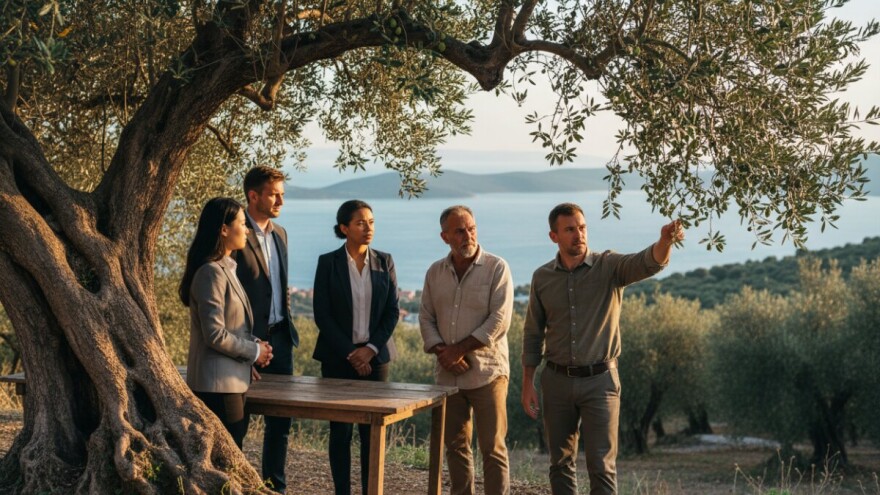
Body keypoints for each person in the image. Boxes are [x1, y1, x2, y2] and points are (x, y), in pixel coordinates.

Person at [520, 202, 685, 495]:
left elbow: (648, 262)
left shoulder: (608, 266)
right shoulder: (542, 277)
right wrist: (527, 382)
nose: (578, 234)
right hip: (556, 381)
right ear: (553, 236)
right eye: (570, 229)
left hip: (601, 382)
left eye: (582, 228)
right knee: (559, 464)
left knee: (602, 466)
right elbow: (533, 332)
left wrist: (664, 241)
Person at [419, 205, 514, 495]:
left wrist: (458, 350)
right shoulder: (435, 272)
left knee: (493, 450)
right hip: (449, 378)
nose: (467, 235)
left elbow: (499, 320)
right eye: (459, 231)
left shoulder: (497, 268)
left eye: (471, 228)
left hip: (488, 373)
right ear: (444, 236)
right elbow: (425, 316)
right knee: (455, 448)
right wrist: (442, 353)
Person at [313, 199, 400, 495]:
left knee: (372, 433)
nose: (368, 228)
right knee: (340, 433)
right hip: (338, 358)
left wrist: (370, 349)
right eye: (361, 223)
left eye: (371, 222)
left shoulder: (385, 261)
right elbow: (321, 314)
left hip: (376, 360)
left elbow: (392, 311)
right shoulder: (328, 263)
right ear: (344, 228)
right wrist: (352, 352)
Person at [179, 197, 273, 448]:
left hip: (231, 382)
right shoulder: (210, 272)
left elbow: (232, 326)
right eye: (242, 223)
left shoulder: (225, 268)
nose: (247, 230)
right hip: (218, 386)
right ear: (224, 229)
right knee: (228, 457)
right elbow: (215, 334)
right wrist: (254, 352)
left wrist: (256, 347)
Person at [234, 166, 300, 492]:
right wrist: (247, 345)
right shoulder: (234, 233)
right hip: (246, 344)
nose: (280, 201)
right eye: (274, 194)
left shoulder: (282, 234)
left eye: (282, 195)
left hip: (282, 340)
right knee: (237, 422)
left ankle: (275, 489)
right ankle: (234, 486)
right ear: (253, 195)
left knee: (281, 424)